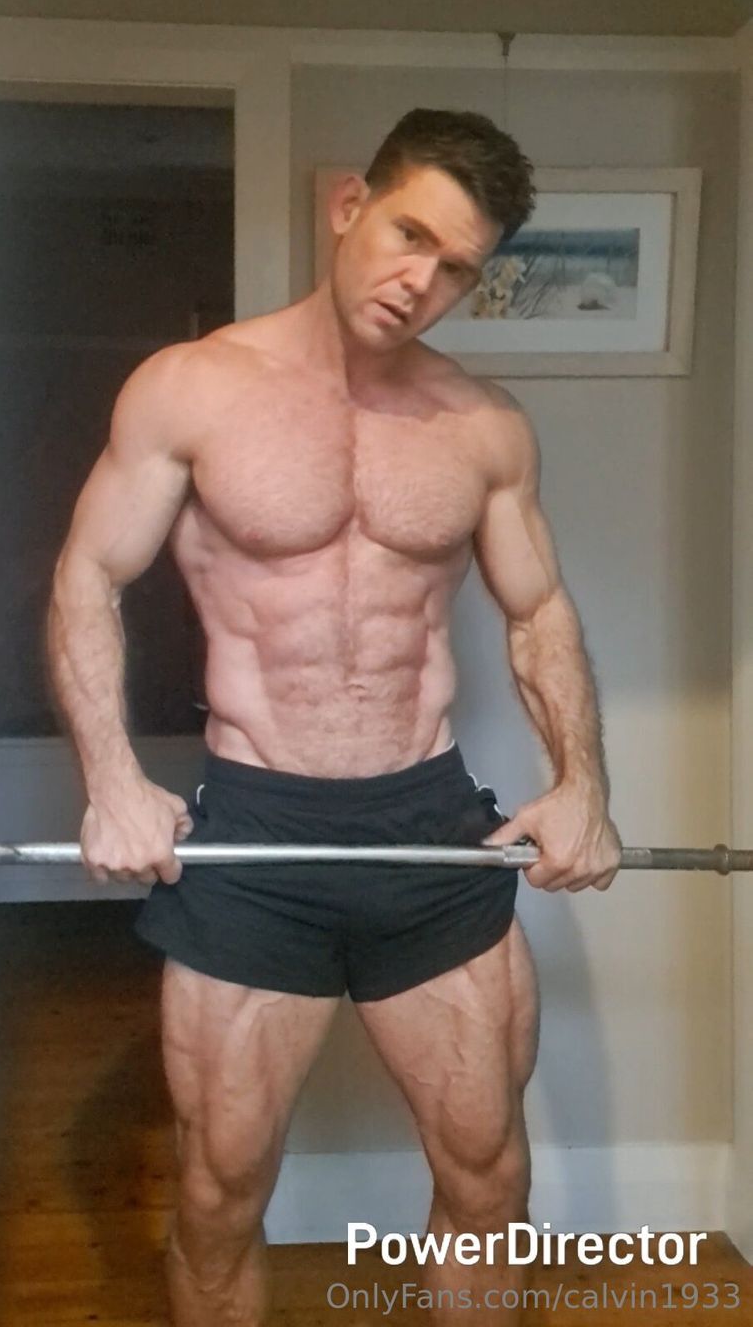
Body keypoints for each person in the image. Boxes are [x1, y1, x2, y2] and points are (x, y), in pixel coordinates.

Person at [47, 108, 622, 1326]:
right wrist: (110, 778)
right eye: (411, 234)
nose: (423, 282)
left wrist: (585, 785)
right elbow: (88, 575)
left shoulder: (483, 425)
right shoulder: (192, 389)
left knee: (489, 1179)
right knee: (218, 1194)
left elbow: (537, 611)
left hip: (427, 822)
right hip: (257, 830)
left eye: (458, 266)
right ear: (350, 204)